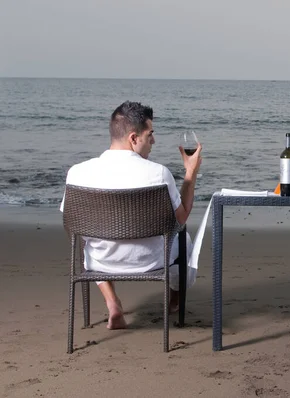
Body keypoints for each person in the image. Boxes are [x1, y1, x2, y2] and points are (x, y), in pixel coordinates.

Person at [60, 101, 202, 329]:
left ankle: (112, 303)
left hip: (101, 262)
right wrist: (190, 172)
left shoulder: (77, 173)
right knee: (183, 238)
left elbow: (70, 224)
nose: (153, 141)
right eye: (150, 135)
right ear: (134, 138)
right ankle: (174, 301)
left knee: (86, 245)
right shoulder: (158, 174)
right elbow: (181, 217)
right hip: (152, 261)